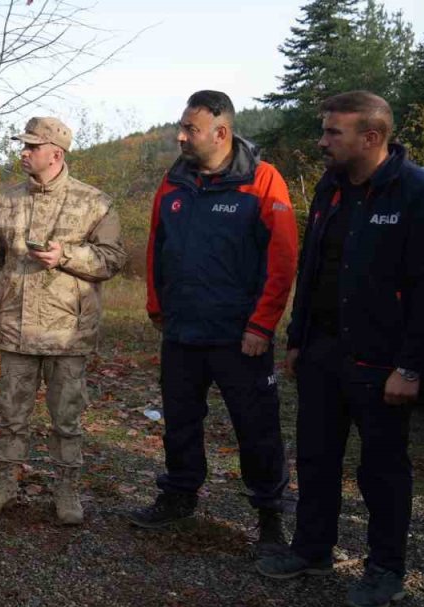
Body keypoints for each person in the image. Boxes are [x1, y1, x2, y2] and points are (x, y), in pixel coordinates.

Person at [255, 91, 424, 607]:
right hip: (324, 355)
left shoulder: (418, 196)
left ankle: (385, 570)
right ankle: (312, 549)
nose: (322, 141)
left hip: (382, 363)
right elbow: (313, 267)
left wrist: (411, 367)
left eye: (332, 133)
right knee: (318, 457)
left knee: (382, 470)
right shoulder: (331, 189)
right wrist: (298, 339)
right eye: (324, 130)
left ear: (371, 138)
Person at [131, 90, 298, 557]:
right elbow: (155, 248)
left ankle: (269, 516)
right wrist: (156, 307)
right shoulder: (174, 182)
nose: (181, 136)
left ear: (221, 132)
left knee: (256, 426)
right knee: (180, 420)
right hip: (182, 330)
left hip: (239, 336)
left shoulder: (262, 181)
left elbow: (282, 261)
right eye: (181, 127)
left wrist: (262, 326)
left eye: (191, 129)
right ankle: (179, 495)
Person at [0, 117, 126, 524]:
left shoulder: (95, 203)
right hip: (15, 329)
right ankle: (5, 482)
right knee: (10, 415)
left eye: (32, 146)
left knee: (67, 418)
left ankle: (67, 490)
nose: (23, 152)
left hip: (67, 333)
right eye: (23, 145)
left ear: (55, 153)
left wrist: (66, 257)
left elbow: (113, 259)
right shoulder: (4, 202)